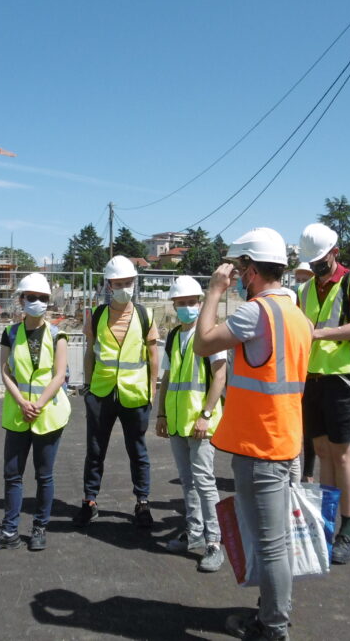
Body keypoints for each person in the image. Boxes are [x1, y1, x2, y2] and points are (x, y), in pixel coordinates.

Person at [195, 227, 311, 641]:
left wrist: (213, 292)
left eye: (241, 268)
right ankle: (270, 613)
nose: (237, 276)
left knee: (272, 545)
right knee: (273, 540)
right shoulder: (296, 314)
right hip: (283, 440)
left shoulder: (256, 312)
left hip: (260, 445)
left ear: (251, 270)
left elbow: (204, 343)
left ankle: (273, 628)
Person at [297, 223, 350, 566]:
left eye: (320, 261)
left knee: (342, 454)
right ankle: (326, 524)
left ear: (335, 252)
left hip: (341, 379)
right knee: (322, 451)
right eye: (311, 263)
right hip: (311, 379)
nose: (316, 268)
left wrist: (322, 334)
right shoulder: (307, 289)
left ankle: (348, 529)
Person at [0, 273, 70, 552]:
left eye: (43, 298)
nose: (38, 303)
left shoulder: (58, 335)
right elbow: (5, 371)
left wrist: (39, 404)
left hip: (48, 413)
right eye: (32, 298)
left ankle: (40, 527)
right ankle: (9, 530)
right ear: (21, 300)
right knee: (13, 474)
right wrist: (22, 402)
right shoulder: (10, 333)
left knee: (44, 475)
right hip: (19, 412)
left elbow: (59, 375)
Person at [74, 255, 160, 529]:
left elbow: (153, 355)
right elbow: (90, 353)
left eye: (128, 282)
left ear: (134, 283)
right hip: (100, 393)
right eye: (118, 283)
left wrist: (151, 390)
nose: (124, 287)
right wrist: (87, 386)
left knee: (138, 451)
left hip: (134, 395)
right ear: (108, 285)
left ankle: (143, 502)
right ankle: (90, 500)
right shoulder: (97, 315)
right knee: (95, 450)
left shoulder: (146, 315)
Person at [155, 275, 227, 573]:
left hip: (200, 422)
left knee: (205, 482)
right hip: (176, 421)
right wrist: (160, 415)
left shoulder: (211, 333)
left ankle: (214, 541)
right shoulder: (173, 336)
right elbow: (169, 378)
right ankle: (194, 532)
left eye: (190, 303)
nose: (186, 308)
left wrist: (206, 414)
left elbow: (220, 376)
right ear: (174, 305)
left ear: (200, 303)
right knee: (188, 482)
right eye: (180, 303)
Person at [290, 264, 317, 484]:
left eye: (304, 279)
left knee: (308, 428)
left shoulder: (318, 302)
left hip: (315, 369)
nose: (300, 283)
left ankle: (306, 472)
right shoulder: (295, 302)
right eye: (297, 279)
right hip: (297, 371)